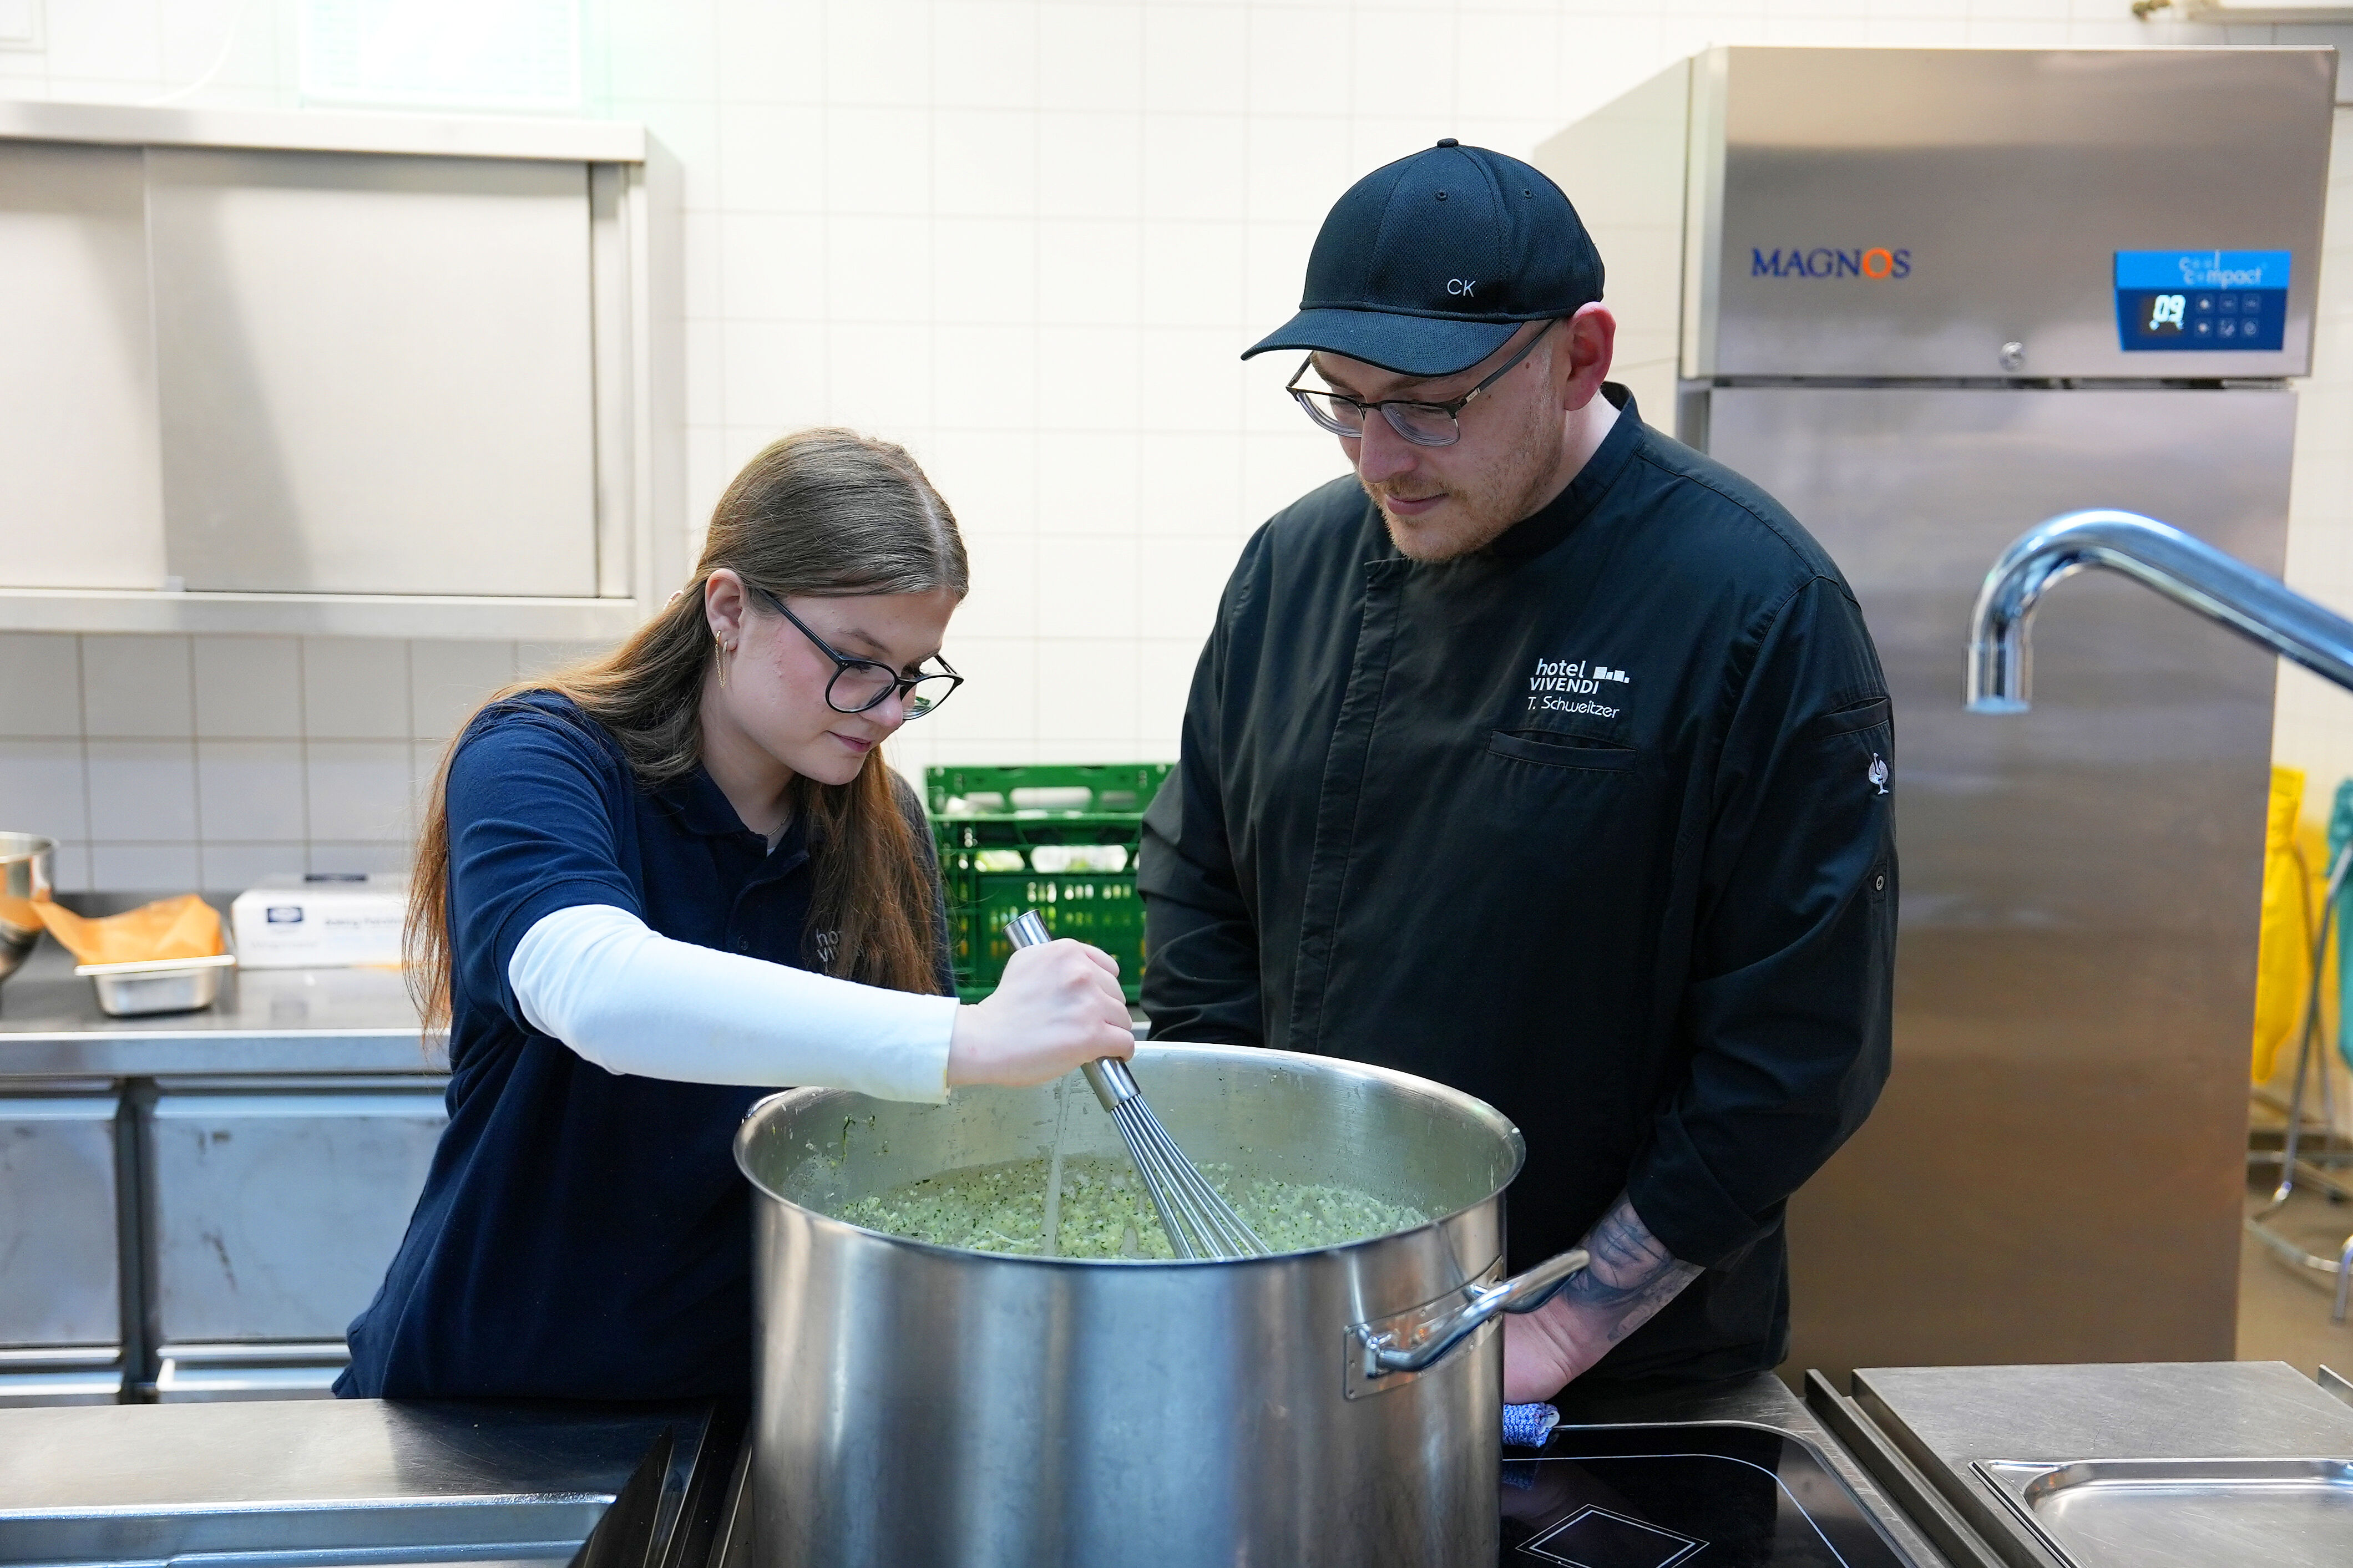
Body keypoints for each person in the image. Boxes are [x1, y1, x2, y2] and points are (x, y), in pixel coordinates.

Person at [1138, 142, 1896, 1400]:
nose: (1378, 458)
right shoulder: (1295, 567)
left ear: (1578, 358)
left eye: (1430, 406)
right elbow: (1201, 890)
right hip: (1303, 1324)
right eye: (1341, 399)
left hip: (1618, 1364)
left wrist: (1566, 1323)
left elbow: (1801, 1045)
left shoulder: (1757, 604)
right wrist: (1235, 1217)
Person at [337, 429, 1135, 1403]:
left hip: (753, 1405)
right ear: (728, 608)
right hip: (497, 1403)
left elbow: (889, 1147)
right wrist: (964, 1036)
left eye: (915, 675)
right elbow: (596, 988)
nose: (886, 710)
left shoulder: (883, 829)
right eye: (856, 660)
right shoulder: (540, 757)